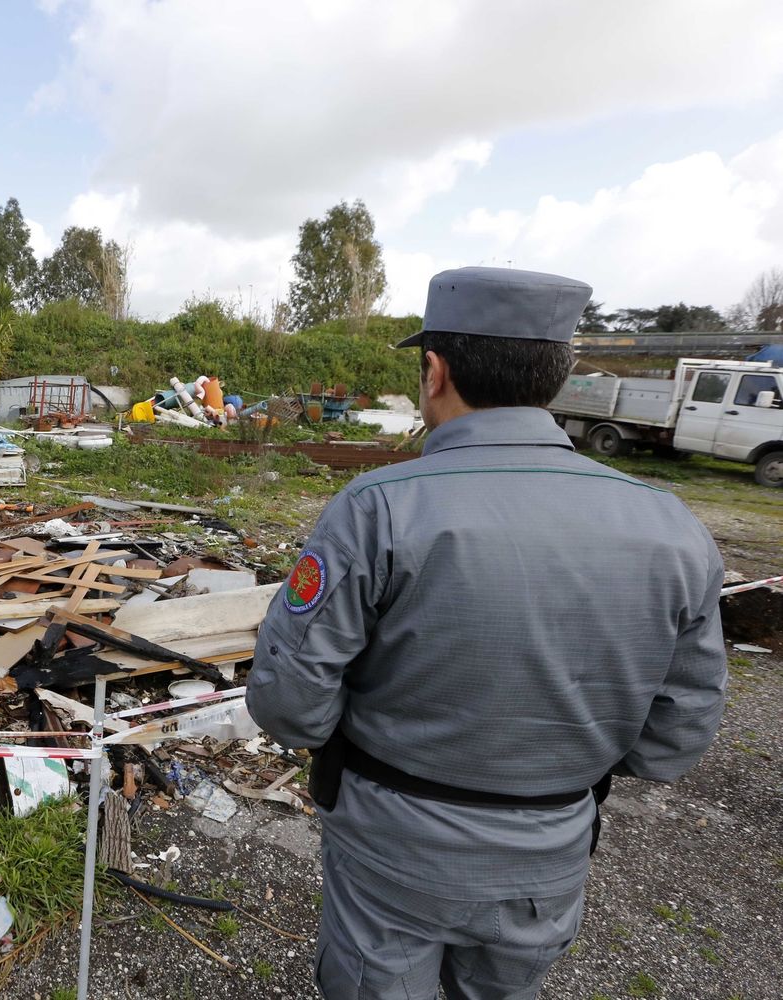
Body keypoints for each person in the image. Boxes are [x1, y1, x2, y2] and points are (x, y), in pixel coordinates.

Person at [246, 266, 728, 1000]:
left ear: (434, 372)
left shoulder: (379, 507)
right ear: (555, 378)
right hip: (551, 849)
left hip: (391, 844)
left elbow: (288, 699)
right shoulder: (672, 526)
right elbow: (676, 736)